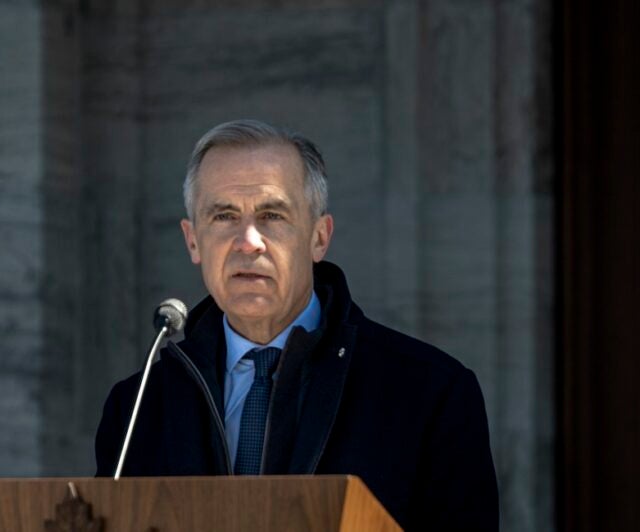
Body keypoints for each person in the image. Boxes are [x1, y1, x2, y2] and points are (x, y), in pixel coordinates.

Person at [94, 119, 499, 530]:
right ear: (193, 240)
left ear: (319, 238)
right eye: (223, 216)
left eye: (272, 215)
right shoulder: (137, 408)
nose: (248, 241)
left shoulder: (429, 393)